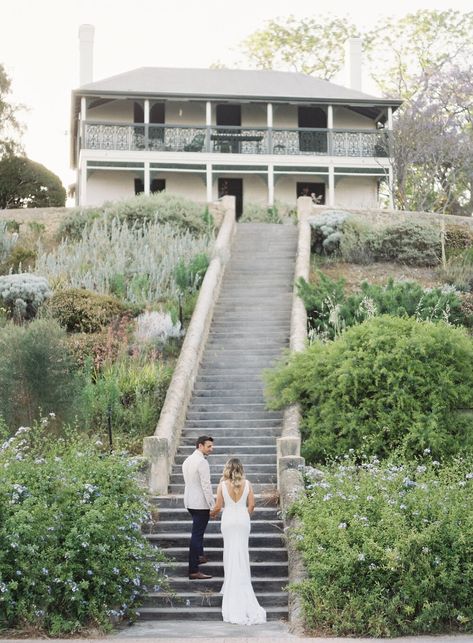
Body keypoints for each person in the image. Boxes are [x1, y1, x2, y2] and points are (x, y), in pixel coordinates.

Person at [210, 458, 266, 625]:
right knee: (242, 554)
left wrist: (211, 514)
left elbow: (218, 506)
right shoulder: (247, 483)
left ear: (227, 469)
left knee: (229, 553)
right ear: (241, 469)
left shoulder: (221, 485)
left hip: (228, 521)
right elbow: (252, 505)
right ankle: (242, 582)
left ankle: (230, 585)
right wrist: (244, 515)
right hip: (242, 520)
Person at [182, 435, 215, 580]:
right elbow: (206, 486)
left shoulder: (187, 460)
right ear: (200, 446)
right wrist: (212, 505)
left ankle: (200, 556)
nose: (211, 449)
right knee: (197, 535)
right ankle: (193, 570)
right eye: (209, 446)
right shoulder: (202, 462)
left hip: (189, 502)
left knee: (198, 533)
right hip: (200, 503)